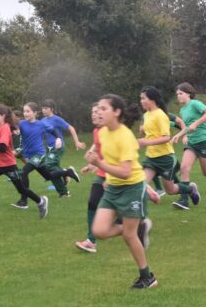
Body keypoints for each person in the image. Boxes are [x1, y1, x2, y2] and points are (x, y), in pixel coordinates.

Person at [86, 95, 157, 289]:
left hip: (132, 188)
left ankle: (147, 276)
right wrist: (97, 167)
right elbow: (110, 159)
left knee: (129, 236)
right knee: (99, 231)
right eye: (97, 108)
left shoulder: (126, 136)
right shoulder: (102, 133)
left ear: (116, 112)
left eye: (103, 109)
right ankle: (137, 227)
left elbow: (126, 172)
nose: (98, 112)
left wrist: (99, 164)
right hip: (113, 188)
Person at [0, 104, 47, 221]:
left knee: (21, 189)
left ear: (3, 116)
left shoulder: (5, 128)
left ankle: (41, 201)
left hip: (8, 165)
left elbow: (2, 148)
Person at [17, 103, 79, 206]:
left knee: (24, 172)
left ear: (35, 113)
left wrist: (58, 138)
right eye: (24, 111)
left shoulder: (41, 124)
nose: (25, 113)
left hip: (39, 155)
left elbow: (53, 130)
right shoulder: (21, 123)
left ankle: (24, 201)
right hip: (30, 156)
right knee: (49, 176)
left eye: (28, 111)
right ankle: (67, 172)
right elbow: (13, 127)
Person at [169, 83, 206, 210]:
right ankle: (184, 200)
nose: (178, 96)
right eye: (177, 94)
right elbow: (187, 127)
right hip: (191, 142)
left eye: (181, 93)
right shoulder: (182, 110)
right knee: (184, 168)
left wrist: (197, 123)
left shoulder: (195, 103)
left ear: (188, 94)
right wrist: (179, 135)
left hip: (203, 140)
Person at [137, 86, 180, 201]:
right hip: (151, 157)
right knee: (140, 183)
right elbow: (151, 134)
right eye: (140, 99)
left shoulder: (161, 115)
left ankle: (190, 188)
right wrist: (142, 135)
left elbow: (166, 137)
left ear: (152, 99)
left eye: (143, 98)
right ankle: (146, 205)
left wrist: (146, 142)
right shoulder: (146, 115)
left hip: (165, 157)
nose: (141, 101)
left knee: (170, 190)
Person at [76, 104, 106, 252]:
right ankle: (91, 241)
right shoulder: (96, 131)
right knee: (92, 202)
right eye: (92, 112)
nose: (94, 115)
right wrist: (91, 166)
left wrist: (95, 165)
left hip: (117, 176)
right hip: (102, 174)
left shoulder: (110, 132)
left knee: (119, 210)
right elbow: (101, 153)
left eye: (97, 112)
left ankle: (139, 225)